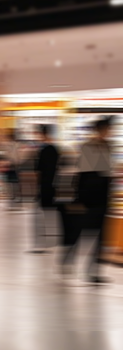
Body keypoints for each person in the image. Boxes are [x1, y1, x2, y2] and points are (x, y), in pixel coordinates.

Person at [61, 117, 113, 283]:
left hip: (102, 193)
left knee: (100, 235)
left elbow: (107, 172)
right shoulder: (88, 146)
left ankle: (92, 271)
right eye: (107, 129)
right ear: (100, 129)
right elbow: (83, 172)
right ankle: (68, 260)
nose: (108, 132)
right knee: (81, 231)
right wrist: (79, 198)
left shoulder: (107, 146)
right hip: (90, 193)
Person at [30, 124, 59, 253]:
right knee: (50, 213)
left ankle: (41, 243)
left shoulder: (43, 150)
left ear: (42, 134)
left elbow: (38, 171)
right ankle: (51, 240)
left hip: (44, 185)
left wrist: (36, 187)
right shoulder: (55, 150)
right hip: (53, 185)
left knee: (41, 214)